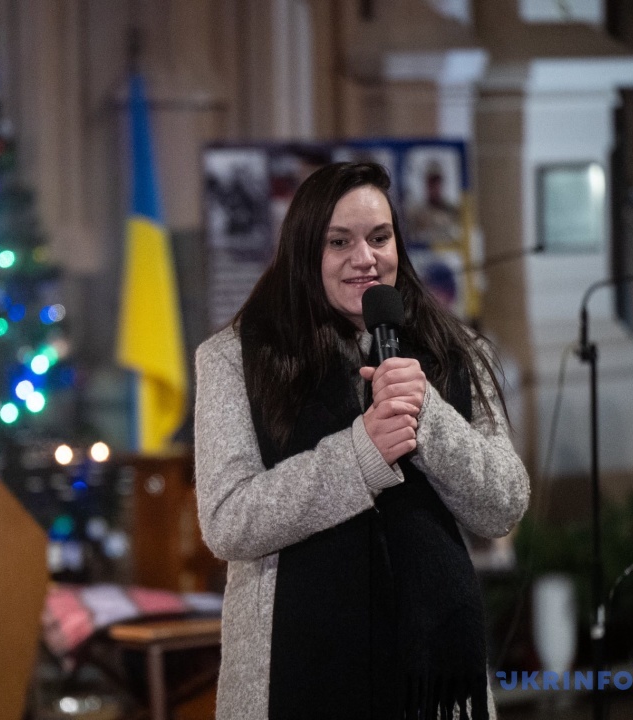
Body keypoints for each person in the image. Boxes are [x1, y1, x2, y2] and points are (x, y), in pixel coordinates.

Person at [194, 162, 529, 720]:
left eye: (379, 237)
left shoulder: (456, 350)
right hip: (297, 676)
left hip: (433, 682)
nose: (366, 258)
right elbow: (227, 520)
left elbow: (503, 506)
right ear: (305, 251)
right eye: (339, 242)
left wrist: (428, 416)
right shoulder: (235, 359)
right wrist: (359, 456)